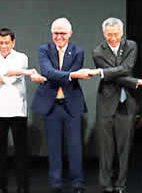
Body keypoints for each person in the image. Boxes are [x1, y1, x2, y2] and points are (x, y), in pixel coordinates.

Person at [92, 17, 142, 193]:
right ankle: (106, 184)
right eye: (109, 35)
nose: (112, 38)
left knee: (124, 147)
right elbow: (118, 75)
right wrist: (140, 82)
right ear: (104, 34)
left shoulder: (131, 46)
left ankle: (120, 184)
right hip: (106, 101)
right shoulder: (98, 51)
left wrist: (103, 72)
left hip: (126, 101)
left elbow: (126, 69)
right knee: (106, 147)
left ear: (122, 33)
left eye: (116, 34)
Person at [0, 27, 46, 193]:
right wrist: (27, 72)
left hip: (17, 109)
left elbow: (10, 77)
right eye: (0, 43)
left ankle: (22, 186)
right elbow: (1, 74)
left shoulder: (21, 57)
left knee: (21, 151)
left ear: (13, 43)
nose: (3, 46)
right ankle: (0, 186)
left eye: (7, 43)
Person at [31, 17, 98, 193]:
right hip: (51, 104)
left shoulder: (78, 51)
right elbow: (47, 71)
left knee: (75, 146)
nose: (59, 36)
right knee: (53, 147)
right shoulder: (44, 49)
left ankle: (78, 183)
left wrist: (60, 75)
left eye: (62, 33)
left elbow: (54, 75)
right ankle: (56, 183)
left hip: (71, 104)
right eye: (56, 33)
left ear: (70, 34)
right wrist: (72, 75)